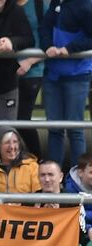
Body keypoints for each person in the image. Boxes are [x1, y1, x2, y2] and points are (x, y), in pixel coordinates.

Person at [40, 0, 92, 167]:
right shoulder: (56, 2)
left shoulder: (86, 5)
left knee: (75, 130)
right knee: (54, 128)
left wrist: (69, 48)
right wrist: (47, 45)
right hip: (52, 74)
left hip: (77, 75)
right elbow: (45, 27)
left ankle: (79, 181)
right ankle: (54, 178)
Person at [16, 0, 52, 157]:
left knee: (22, 119)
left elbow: (49, 39)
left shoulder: (38, 5)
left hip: (33, 71)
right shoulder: (5, 5)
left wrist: (30, 61)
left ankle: (37, 159)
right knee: (7, 120)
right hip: (8, 72)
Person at [0, 126, 40, 193]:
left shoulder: (32, 166)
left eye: (15, 142)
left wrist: (21, 203)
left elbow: (38, 196)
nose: (12, 146)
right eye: (7, 142)